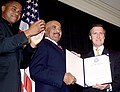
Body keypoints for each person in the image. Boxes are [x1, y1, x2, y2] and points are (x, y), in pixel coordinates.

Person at [0, 0, 45, 92]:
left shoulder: (12, 33)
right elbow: (1, 45)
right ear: (3, 8)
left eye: (20, 12)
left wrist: (32, 45)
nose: (17, 13)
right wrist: (28, 32)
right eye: (14, 9)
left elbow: (22, 63)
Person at [29, 20, 76, 92]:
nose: (58, 31)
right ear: (45, 31)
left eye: (60, 29)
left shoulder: (62, 50)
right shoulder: (42, 44)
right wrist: (62, 77)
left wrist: (74, 60)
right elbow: (36, 70)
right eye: (54, 27)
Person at [82, 24, 120, 92]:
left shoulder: (116, 55)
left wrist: (108, 86)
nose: (98, 36)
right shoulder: (83, 58)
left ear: (104, 36)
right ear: (90, 37)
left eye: (101, 33)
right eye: (95, 33)